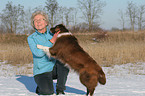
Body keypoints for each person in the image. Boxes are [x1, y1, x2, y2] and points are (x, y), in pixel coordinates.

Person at [27, 10, 69, 95]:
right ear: (33, 24)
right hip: (41, 71)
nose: (38, 21)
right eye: (35, 20)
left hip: (54, 69)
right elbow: (38, 53)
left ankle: (60, 90)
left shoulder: (53, 34)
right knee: (48, 92)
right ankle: (40, 86)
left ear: (46, 22)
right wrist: (51, 41)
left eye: (41, 19)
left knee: (64, 63)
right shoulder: (31, 38)